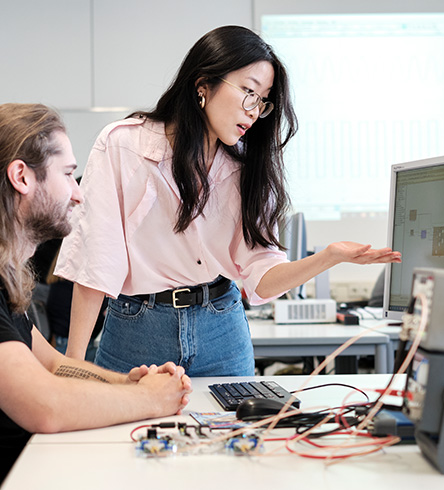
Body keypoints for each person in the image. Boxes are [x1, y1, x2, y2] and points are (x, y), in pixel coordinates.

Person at [55, 25, 401, 377]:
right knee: (120, 430)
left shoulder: (248, 166)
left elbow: (261, 279)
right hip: (137, 329)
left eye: (263, 100)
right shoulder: (123, 145)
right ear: (203, 85)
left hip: (221, 329)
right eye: (249, 92)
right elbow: (97, 263)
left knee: (236, 430)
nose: (254, 110)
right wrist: (72, 366)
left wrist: (330, 257)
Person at [0, 103, 192, 483]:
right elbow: (45, 404)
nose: (78, 194)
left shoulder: (7, 280)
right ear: (21, 176)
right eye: (69, 176)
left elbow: (52, 365)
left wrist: (130, 383)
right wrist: (150, 399)